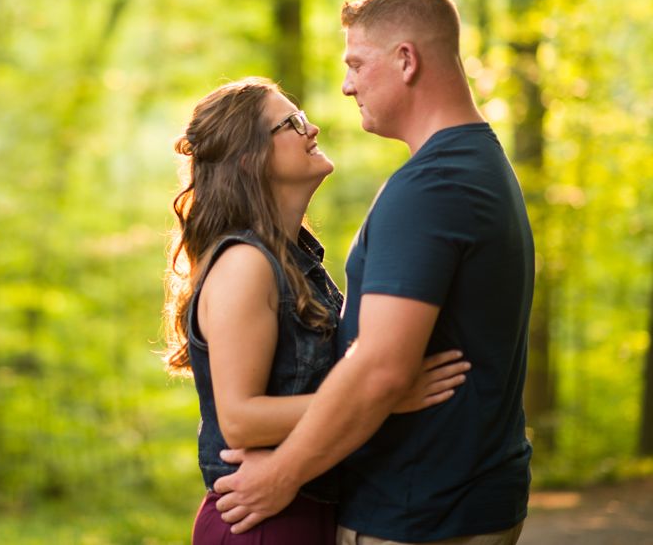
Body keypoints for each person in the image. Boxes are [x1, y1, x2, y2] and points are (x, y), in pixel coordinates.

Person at [212, 0, 534, 545]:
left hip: (420, 514)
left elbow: (381, 369)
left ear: (406, 60)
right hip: (450, 502)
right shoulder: (475, 164)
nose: (345, 85)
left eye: (357, 63)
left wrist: (282, 476)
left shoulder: (431, 186)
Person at [163, 76, 470, 544]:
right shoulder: (245, 264)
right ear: (251, 160)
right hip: (261, 522)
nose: (313, 129)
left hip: (304, 509)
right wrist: (381, 398)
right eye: (292, 123)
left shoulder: (296, 262)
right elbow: (240, 419)